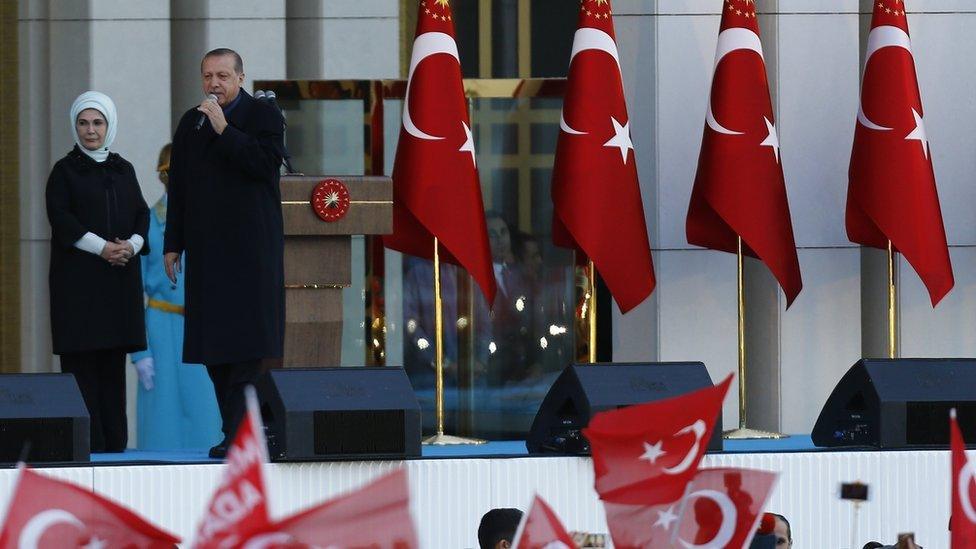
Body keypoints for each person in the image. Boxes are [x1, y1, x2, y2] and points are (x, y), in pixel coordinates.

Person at [164, 48, 285, 458]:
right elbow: (179, 187)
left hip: (250, 254)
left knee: (246, 351)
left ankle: (238, 437)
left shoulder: (263, 115)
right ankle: (232, 431)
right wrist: (172, 243)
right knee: (215, 351)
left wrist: (225, 130)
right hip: (209, 255)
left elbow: (265, 165)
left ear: (240, 77)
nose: (213, 84)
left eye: (222, 75)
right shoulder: (191, 122)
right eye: (207, 76)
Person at [46, 91, 150, 453]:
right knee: (82, 371)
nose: (91, 130)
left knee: (111, 372)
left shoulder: (123, 168)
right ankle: (82, 450)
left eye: (98, 122)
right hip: (79, 290)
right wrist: (103, 248)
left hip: (116, 285)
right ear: (75, 126)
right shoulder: (65, 171)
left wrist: (131, 246)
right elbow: (62, 221)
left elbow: (141, 213)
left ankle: (115, 450)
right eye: (84, 123)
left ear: (109, 125)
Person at [129, 144, 221, 450]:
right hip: (160, 325)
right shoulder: (149, 223)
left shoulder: (206, 219)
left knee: (206, 414)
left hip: (202, 324)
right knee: (161, 416)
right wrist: (139, 352)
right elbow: (133, 291)